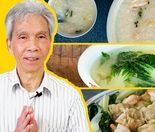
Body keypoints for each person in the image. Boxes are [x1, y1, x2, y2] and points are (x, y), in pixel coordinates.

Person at [0, 1, 90, 131]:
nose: (33, 47)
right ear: (9, 45)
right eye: (23, 37)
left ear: (50, 43)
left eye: (41, 36)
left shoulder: (71, 97)